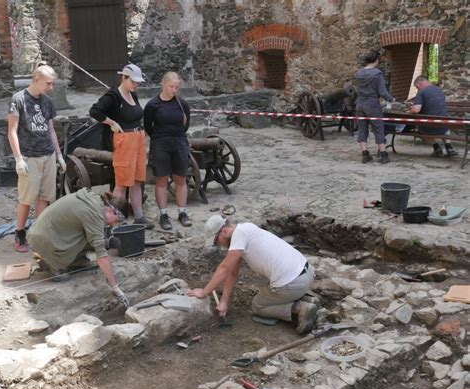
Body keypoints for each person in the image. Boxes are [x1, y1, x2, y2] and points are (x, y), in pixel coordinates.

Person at [187, 216, 317, 334]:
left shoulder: (239, 236)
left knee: (258, 305)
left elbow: (225, 268)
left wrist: (204, 292)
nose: (218, 246)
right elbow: (232, 272)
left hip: (292, 284)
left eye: (216, 241)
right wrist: (224, 301)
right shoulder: (246, 229)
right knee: (273, 292)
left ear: (224, 232)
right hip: (307, 275)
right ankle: (308, 299)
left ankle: (300, 308)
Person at [27, 187, 130, 307]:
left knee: (90, 235)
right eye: (116, 221)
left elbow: (94, 237)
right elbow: (101, 255)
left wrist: (106, 242)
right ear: (111, 211)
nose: (114, 224)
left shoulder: (95, 201)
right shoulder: (94, 214)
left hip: (43, 232)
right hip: (43, 240)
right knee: (64, 276)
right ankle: (51, 262)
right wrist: (115, 287)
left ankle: (74, 260)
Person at [8, 62, 66, 253]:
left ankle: (38, 234)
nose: (51, 88)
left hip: (47, 155)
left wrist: (58, 155)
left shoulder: (47, 102)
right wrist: (18, 158)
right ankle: (20, 233)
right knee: (27, 197)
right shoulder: (19, 99)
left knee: (45, 197)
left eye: (52, 84)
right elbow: (12, 131)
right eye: (48, 83)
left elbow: (50, 130)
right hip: (29, 156)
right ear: (36, 79)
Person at [89, 63, 154, 229]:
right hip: (124, 139)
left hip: (138, 138)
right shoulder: (113, 96)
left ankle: (139, 216)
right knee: (122, 182)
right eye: (133, 81)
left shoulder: (134, 94)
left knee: (137, 180)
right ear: (123, 78)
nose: (136, 84)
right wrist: (111, 123)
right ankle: (117, 220)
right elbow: (95, 111)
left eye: (137, 82)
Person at [144, 72, 192, 230]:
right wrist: (161, 137)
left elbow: (185, 125)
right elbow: (148, 126)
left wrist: (176, 137)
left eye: (177, 87)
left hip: (179, 142)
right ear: (163, 84)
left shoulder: (182, 104)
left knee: (180, 178)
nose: (174, 90)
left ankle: (182, 212)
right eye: (171, 86)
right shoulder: (152, 105)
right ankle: (163, 214)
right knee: (162, 179)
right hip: (160, 143)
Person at [355, 50, 394, 164]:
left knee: (362, 129)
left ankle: (365, 154)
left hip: (360, 103)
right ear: (376, 60)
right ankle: (383, 154)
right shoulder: (377, 74)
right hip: (372, 104)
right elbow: (382, 92)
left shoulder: (359, 73)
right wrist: (391, 99)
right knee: (378, 128)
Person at [406, 75, 458, 157]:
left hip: (429, 124)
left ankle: (437, 148)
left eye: (417, 87)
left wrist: (409, 110)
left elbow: (416, 110)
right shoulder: (439, 90)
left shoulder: (421, 92)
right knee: (445, 129)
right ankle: (449, 147)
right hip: (443, 123)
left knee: (420, 129)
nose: (417, 89)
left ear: (420, 84)